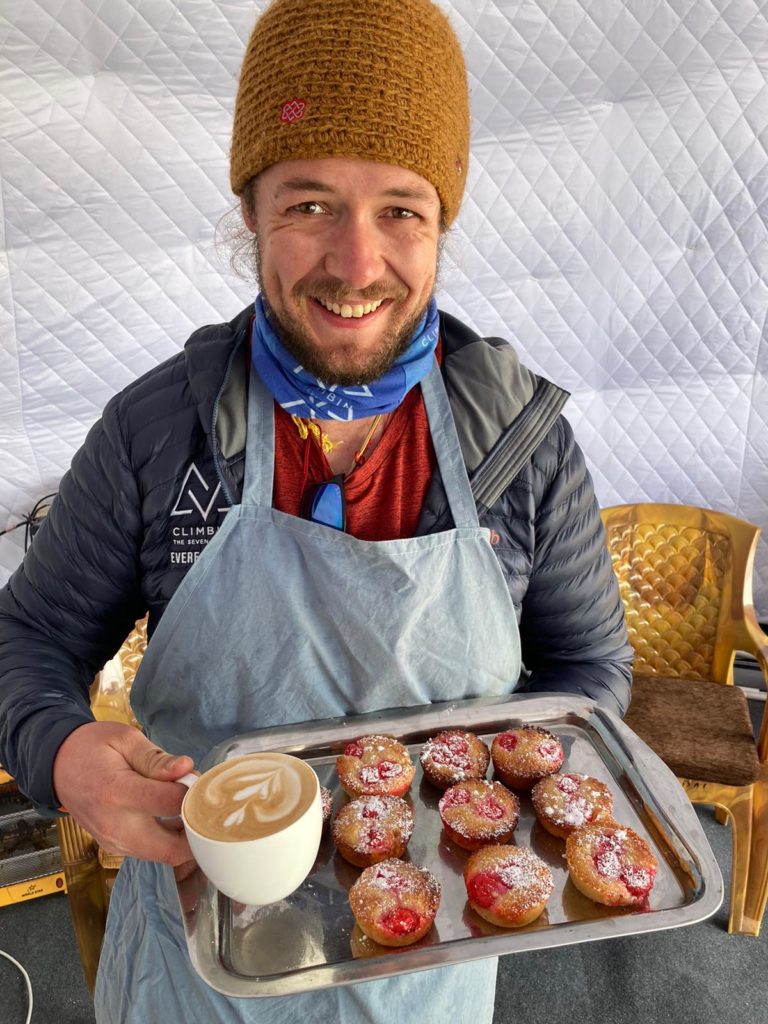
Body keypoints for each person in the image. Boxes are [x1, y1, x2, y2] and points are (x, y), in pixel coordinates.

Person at [0, 0, 632, 1020]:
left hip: (427, 970)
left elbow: (590, 675)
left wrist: (494, 816)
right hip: (197, 973)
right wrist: (61, 750)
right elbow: (23, 636)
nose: (354, 264)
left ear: (443, 222)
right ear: (249, 210)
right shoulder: (161, 431)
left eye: (400, 209)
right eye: (308, 205)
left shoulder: (517, 444)